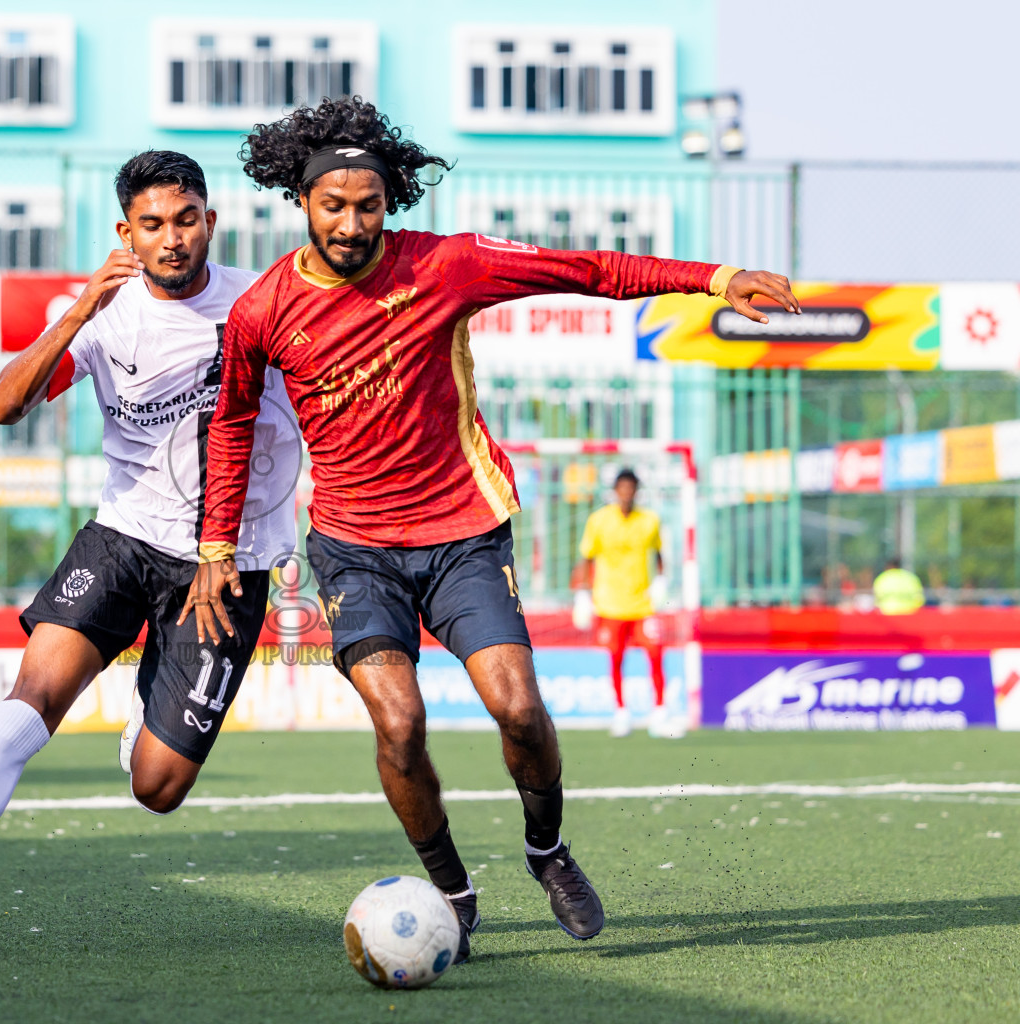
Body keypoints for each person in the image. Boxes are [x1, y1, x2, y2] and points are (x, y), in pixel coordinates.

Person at [181, 96, 800, 957]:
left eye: (368, 205)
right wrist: (215, 546)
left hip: (465, 533)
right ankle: (451, 892)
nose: (352, 223)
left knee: (517, 708)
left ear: (389, 201)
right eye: (334, 205)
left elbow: (586, 269)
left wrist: (714, 278)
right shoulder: (264, 311)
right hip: (355, 549)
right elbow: (231, 422)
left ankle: (547, 851)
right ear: (301, 200)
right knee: (398, 726)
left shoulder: (451, 264)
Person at [0, 151, 301, 963]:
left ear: (211, 222)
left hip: (228, 558)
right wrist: (83, 307)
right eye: (152, 224)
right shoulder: (98, 311)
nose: (172, 239)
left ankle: (148, 709)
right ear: (127, 232)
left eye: (186, 220)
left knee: (157, 789)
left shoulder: (261, 304)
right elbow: (6, 405)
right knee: (25, 707)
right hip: (121, 536)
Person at [575, 470, 679, 739]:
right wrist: (583, 594)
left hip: (642, 603)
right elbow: (587, 558)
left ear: (636, 491)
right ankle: (621, 712)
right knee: (616, 658)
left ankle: (659, 713)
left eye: (631, 488)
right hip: (609, 603)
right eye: (622, 488)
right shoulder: (599, 521)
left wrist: (661, 581)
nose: (626, 493)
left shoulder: (649, 521)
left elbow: (659, 553)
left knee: (655, 654)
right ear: (615, 491)